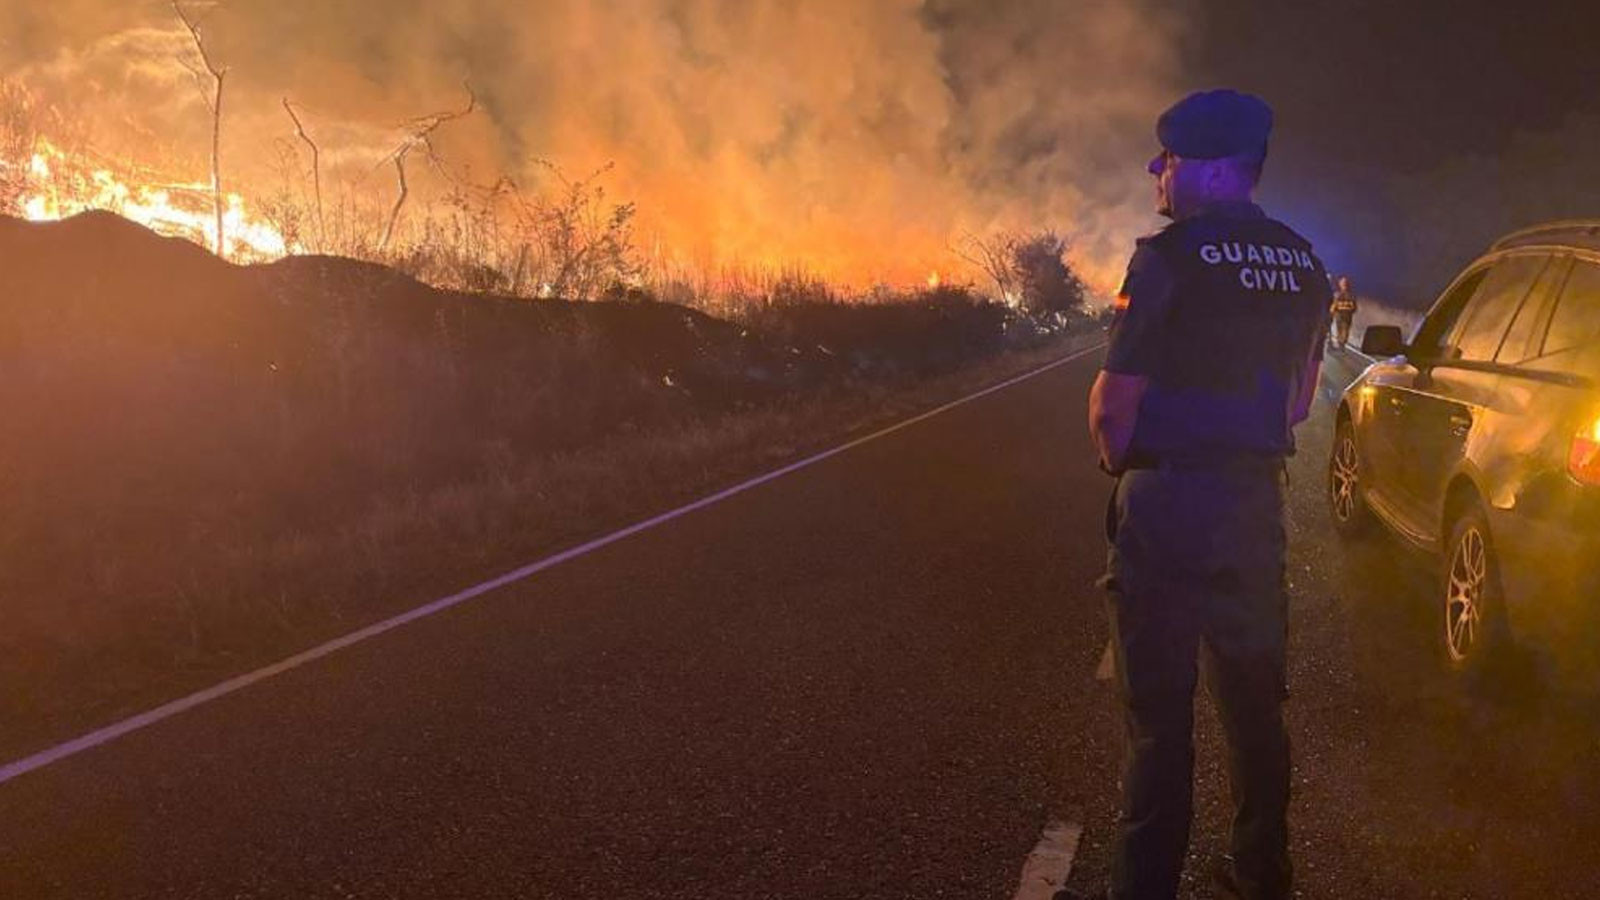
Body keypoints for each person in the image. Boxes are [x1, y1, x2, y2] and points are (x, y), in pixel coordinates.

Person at [1072, 90, 1331, 900]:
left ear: (1214, 171)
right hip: (1253, 510)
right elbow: (1298, 402)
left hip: (1169, 509)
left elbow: (1114, 409)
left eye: (1171, 159)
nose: (1159, 171)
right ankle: (1262, 876)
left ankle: (1143, 888)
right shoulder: (1304, 261)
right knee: (1256, 709)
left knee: (1159, 720)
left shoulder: (1169, 258)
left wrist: (1134, 467)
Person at [1330, 275, 1358, 348]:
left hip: (1347, 315)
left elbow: (1354, 307)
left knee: (1345, 330)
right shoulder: (1337, 294)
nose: (1344, 284)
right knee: (1339, 330)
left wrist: (1350, 310)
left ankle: (1342, 343)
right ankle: (1340, 344)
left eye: (1345, 282)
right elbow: (1333, 306)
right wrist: (1332, 313)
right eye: (1342, 282)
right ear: (1339, 284)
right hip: (1339, 315)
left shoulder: (1351, 295)